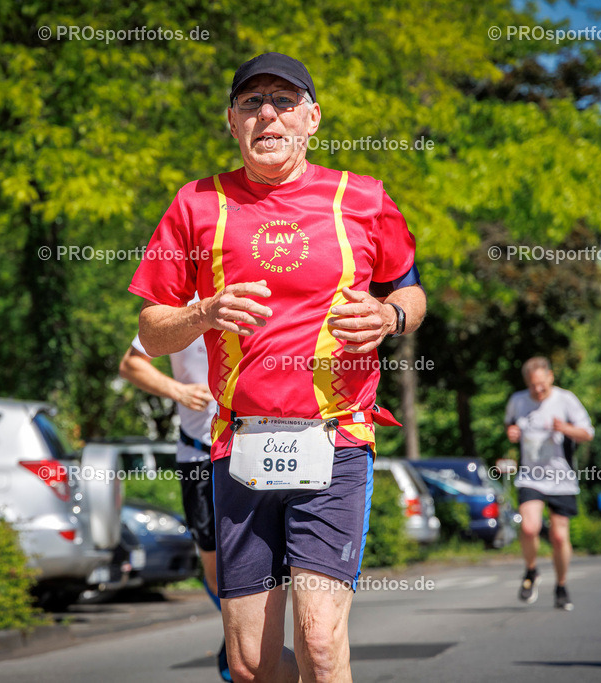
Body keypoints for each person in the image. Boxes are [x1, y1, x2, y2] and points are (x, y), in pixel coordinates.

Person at [127, 52, 426, 683]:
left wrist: (391, 318)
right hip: (239, 443)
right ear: (230, 121)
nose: (268, 113)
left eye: (285, 101)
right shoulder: (195, 203)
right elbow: (151, 332)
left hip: (336, 436)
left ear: (313, 118)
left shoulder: (362, 197)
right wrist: (204, 311)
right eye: (252, 102)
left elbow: (410, 290)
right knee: (251, 663)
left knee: (319, 643)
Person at [117, 320, 231, 680]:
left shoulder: (257, 287)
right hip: (198, 455)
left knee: (262, 555)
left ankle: (251, 647)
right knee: (212, 562)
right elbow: (131, 363)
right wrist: (178, 391)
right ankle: (241, 636)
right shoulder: (183, 308)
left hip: (253, 450)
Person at [505, 356, 594, 611]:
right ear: (527, 383)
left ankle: (562, 586)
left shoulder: (565, 400)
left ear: (551, 377)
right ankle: (531, 571)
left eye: (542, 384)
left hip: (561, 478)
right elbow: (510, 427)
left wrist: (566, 428)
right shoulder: (518, 401)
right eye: (533, 385)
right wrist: (511, 433)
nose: (538, 390)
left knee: (558, 536)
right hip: (530, 477)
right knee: (530, 527)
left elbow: (588, 433)